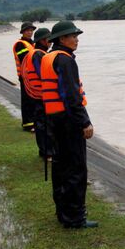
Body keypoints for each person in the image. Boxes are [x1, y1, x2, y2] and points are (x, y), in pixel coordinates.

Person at [41, 21, 96, 229]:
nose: (76, 39)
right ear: (62, 39)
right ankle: (75, 217)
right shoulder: (65, 61)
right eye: (73, 36)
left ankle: (63, 212)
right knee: (76, 168)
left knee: (60, 167)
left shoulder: (48, 57)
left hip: (54, 119)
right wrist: (85, 122)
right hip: (69, 121)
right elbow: (71, 96)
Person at [21, 27, 53, 159]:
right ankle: (46, 152)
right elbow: (43, 75)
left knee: (42, 123)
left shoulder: (35, 53)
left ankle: (45, 151)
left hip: (37, 93)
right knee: (43, 124)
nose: (51, 42)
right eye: (49, 39)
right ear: (43, 41)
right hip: (41, 94)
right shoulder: (39, 54)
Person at [13, 22, 36, 132]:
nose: (30, 32)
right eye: (27, 30)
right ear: (23, 32)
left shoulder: (31, 43)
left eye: (31, 30)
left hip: (31, 76)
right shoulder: (20, 44)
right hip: (25, 76)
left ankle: (33, 122)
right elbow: (25, 59)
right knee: (27, 100)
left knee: (32, 99)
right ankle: (27, 124)